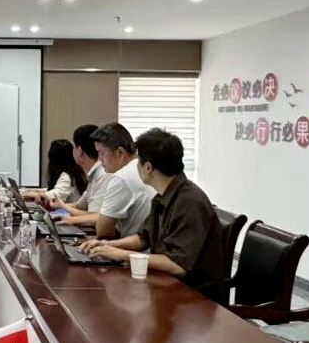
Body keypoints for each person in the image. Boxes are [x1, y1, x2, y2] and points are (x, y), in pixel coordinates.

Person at [81, 129, 227, 303]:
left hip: (196, 298)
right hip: (169, 285)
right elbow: (144, 238)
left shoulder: (189, 202)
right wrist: (106, 246)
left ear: (148, 167)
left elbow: (177, 265)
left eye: (138, 161)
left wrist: (121, 254)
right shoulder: (163, 196)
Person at [86, 123, 156, 240]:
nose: (99, 159)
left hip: (137, 248)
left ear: (120, 152)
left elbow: (103, 230)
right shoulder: (142, 166)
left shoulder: (122, 177)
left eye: (102, 153)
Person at [48, 125, 108, 228]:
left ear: (79, 150)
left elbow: (94, 217)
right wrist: (60, 205)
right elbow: (80, 205)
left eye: (74, 147)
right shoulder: (93, 174)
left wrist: (65, 210)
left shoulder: (102, 175)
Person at [22, 139, 87, 204]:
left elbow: (55, 195)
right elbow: (51, 190)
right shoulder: (72, 171)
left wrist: (36, 194)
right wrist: (30, 191)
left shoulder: (67, 176)